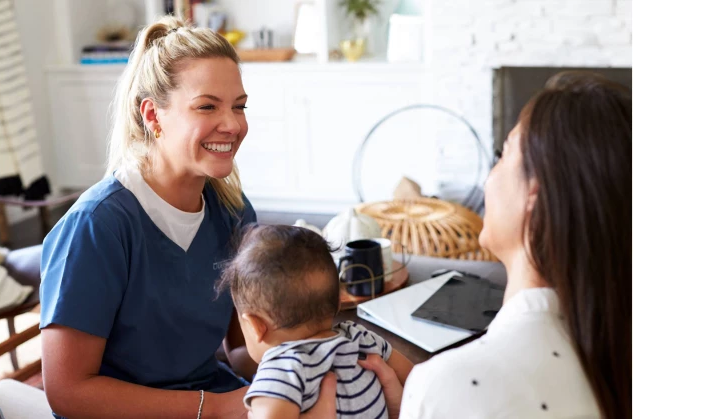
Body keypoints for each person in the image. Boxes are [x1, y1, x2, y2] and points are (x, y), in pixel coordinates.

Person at [38, 16, 335, 419]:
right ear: (153, 116)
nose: (232, 124)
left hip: (211, 396)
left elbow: (242, 349)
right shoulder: (97, 227)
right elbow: (68, 392)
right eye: (207, 106)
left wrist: (312, 361)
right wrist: (212, 408)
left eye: (239, 106)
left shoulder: (232, 212)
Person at [359, 71, 632, 419]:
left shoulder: (448, 385)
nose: (492, 174)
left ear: (534, 194)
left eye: (503, 154)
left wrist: (428, 400)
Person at [216, 225, 414, 418]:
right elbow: (417, 380)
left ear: (255, 326)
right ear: (337, 302)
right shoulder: (361, 337)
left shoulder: (280, 370)